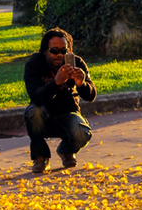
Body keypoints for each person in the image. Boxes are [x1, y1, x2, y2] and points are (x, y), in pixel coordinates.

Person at [23, 28, 96, 174]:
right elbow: (36, 97)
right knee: (33, 112)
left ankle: (66, 151)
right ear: (45, 50)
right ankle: (40, 157)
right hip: (43, 113)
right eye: (54, 51)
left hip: (68, 112)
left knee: (83, 132)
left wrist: (81, 84)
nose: (59, 56)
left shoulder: (77, 63)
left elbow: (91, 95)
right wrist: (56, 83)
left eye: (64, 51)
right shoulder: (34, 64)